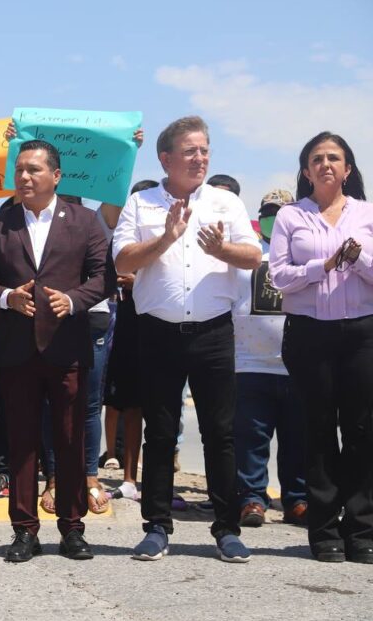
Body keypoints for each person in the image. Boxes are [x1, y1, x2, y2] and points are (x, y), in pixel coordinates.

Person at [113, 116, 261, 563]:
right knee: (160, 432)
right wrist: (166, 237)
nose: (201, 158)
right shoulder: (141, 204)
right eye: (191, 151)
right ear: (166, 158)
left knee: (220, 432)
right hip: (157, 332)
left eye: (205, 149)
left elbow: (252, 256)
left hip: (214, 332)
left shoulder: (225, 202)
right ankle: (157, 526)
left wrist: (221, 251)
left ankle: (226, 528)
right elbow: (122, 257)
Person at [0, 140, 109, 562]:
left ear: (56, 176)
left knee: (70, 440)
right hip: (16, 349)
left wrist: (74, 300)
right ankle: (24, 530)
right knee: (22, 442)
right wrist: (8, 296)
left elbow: (104, 276)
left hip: (67, 347)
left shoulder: (84, 221)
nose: (25, 177)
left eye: (34, 170)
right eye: (20, 170)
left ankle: (72, 528)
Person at [270, 131, 373, 563]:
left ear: (348, 169)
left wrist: (359, 259)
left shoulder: (367, 214)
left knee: (363, 431)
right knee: (318, 431)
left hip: (362, 334)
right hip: (310, 333)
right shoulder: (291, 217)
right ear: (306, 170)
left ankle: (363, 528)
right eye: (317, 159)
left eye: (335, 158)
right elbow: (277, 277)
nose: (326, 164)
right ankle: (324, 530)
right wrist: (323, 265)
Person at [232, 189, 306, 529]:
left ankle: (297, 500)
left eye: (281, 212)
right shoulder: (245, 257)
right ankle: (251, 499)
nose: (274, 219)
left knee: (297, 440)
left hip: (297, 366)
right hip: (249, 364)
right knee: (250, 440)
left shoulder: (304, 256)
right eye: (268, 212)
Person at [101, 179, 159, 502]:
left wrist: (141, 278)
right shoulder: (123, 233)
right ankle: (128, 477)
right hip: (127, 320)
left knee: (160, 409)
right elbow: (113, 268)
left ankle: (149, 480)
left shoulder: (172, 233)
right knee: (128, 402)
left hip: (163, 322)